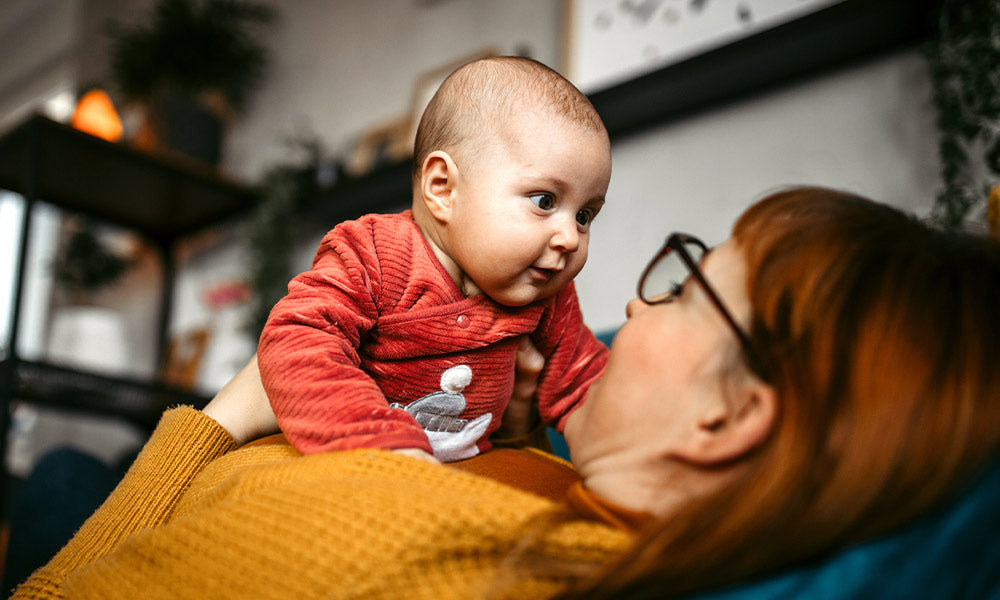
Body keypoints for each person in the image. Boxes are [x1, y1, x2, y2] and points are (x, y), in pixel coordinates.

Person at [13, 187, 1000, 599]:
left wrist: (218, 420)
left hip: (165, 496)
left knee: (56, 470)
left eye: (680, 290)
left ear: (729, 416)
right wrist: (516, 436)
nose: (628, 304)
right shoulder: (568, 495)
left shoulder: (431, 562)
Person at [257, 56, 611, 462]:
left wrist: (625, 448)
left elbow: (585, 386)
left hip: (472, 467)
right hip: (360, 455)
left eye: (584, 216)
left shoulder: (548, 293)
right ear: (443, 188)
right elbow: (300, 338)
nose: (570, 238)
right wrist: (378, 443)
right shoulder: (374, 254)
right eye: (545, 201)